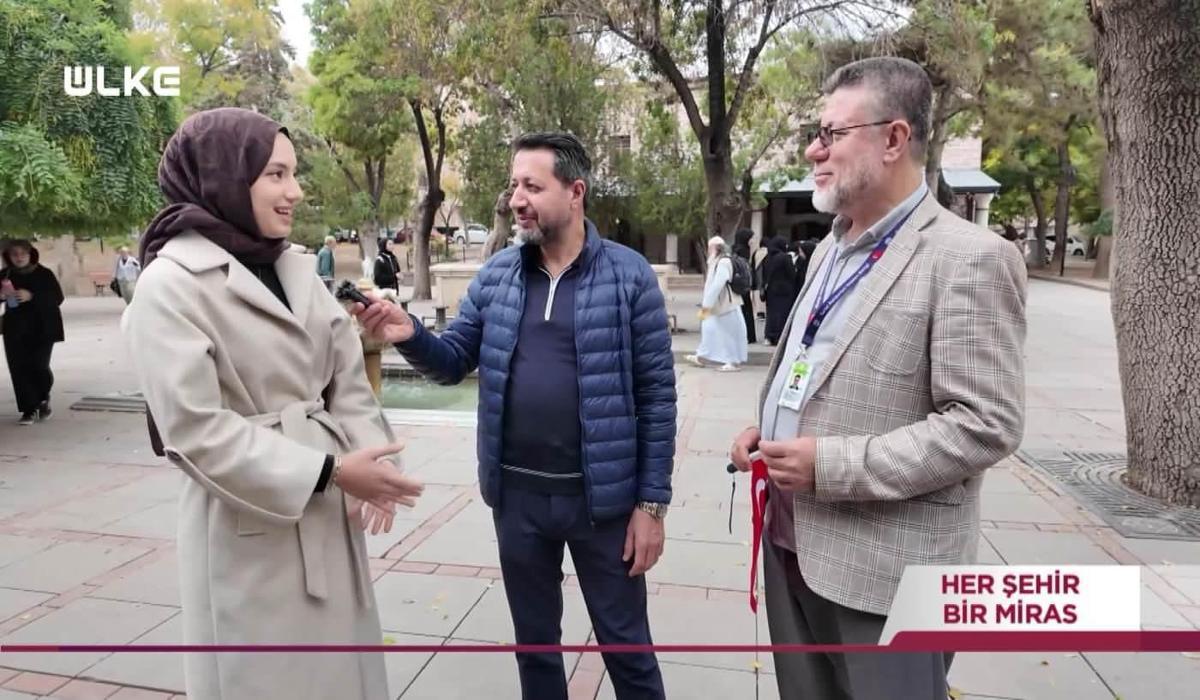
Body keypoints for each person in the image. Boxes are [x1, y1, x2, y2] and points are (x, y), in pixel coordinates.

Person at [728, 57, 1026, 700]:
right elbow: (823, 371)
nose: (813, 150)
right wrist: (770, 428)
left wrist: (829, 465)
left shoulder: (970, 258)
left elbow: (985, 425)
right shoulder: (828, 251)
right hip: (790, 548)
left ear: (893, 139)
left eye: (831, 133)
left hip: (886, 577)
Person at [351, 131, 675, 700]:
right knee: (535, 648)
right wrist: (410, 334)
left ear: (575, 192)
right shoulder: (498, 275)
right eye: (513, 185)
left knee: (627, 649)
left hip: (603, 502)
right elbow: (454, 361)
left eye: (532, 186)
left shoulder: (629, 277)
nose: (516, 199)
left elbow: (656, 396)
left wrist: (651, 506)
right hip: (518, 500)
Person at [122, 107, 424, 700]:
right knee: (267, 676)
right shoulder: (170, 285)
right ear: (225, 178)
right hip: (248, 519)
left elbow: (346, 380)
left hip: (329, 512)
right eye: (276, 175)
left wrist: (376, 460)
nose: (295, 191)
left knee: (340, 674)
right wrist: (331, 471)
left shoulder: (293, 267)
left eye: (293, 173)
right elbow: (195, 431)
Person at [1, 240, 64, 425]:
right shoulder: (5, 275)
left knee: (39, 366)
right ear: (8, 257)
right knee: (19, 368)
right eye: (14, 254)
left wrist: (32, 296)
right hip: (15, 328)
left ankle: (43, 399)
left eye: (23, 253)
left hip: (42, 327)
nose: (19, 258)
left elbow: (58, 298)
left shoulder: (44, 274)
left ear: (31, 254)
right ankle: (29, 410)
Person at [686, 236, 748, 371]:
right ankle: (702, 356)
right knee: (709, 329)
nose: (708, 251)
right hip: (717, 304)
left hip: (724, 305)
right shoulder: (717, 261)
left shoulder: (723, 262)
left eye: (710, 248)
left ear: (715, 248)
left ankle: (732, 362)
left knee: (728, 333)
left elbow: (717, 284)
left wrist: (706, 304)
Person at [759, 236, 797, 346]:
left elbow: (764, 275)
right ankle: (779, 337)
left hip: (771, 290)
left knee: (771, 314)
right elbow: (791, 274)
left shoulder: (767, 258)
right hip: (784, 290)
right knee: (782, 313)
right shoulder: (785, 257)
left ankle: (769, 336)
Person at [732, 228, 757, 344]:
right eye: (750, 238)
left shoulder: (741, 250)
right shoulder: (741, 251)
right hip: (742, 286)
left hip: (742, 286)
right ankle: (747, 335)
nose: (752, 241)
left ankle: (747, 335)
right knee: (745, 311)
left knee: (745, 310)